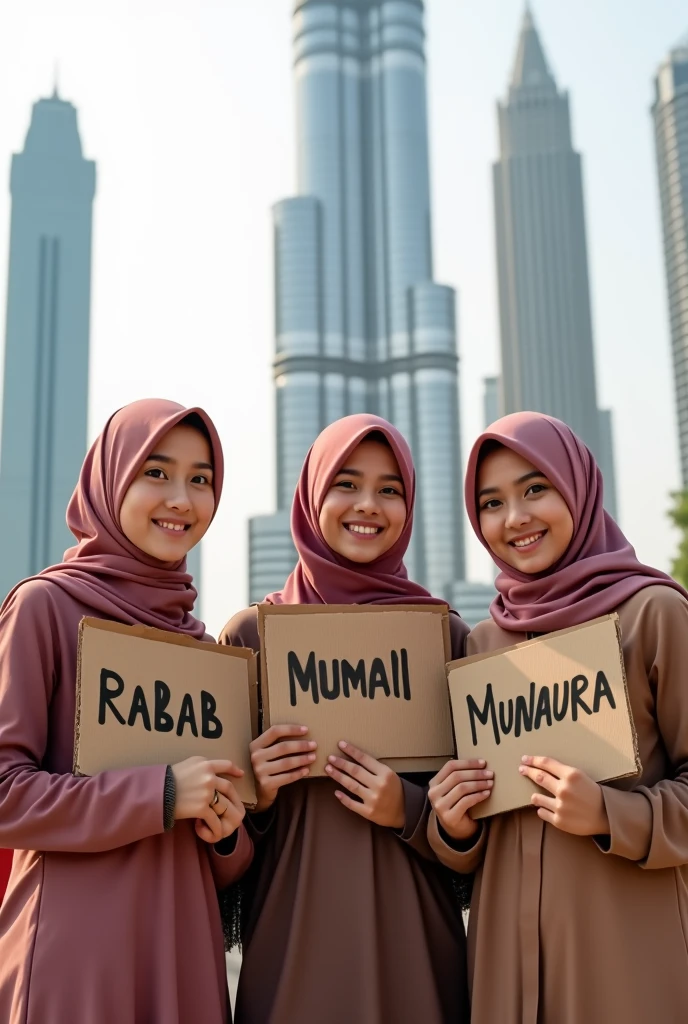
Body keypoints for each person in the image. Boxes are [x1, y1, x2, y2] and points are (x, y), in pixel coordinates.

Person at [428, 411, 688, 1024]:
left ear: (577, 488)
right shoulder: (483, 643)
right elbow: (483, 837)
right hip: (504, 971)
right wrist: (455, 824)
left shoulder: (655, 614)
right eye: (491, 502)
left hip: (625, 966)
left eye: (535, 488)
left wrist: (609, 813)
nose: (514, 517)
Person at [0, 399, 252, 1024]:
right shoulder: (46, 609)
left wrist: (226, 834)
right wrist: (162, 793)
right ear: (111, 481)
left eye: (201, 480)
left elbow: (225, 855)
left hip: (184, 959)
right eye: (156, 472)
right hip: (76, 955)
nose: (182, 499)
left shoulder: (201, 648)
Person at [221, 413, 472, 1024]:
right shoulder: (253, 636)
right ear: (311, 495)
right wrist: (253, 791)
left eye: (391, 489)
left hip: (418, 944)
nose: (369, 505)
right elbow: (217, 845)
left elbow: (486, 834)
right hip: (294, 943)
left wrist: (410, 811)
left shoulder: (447, 639)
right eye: (346, 483)